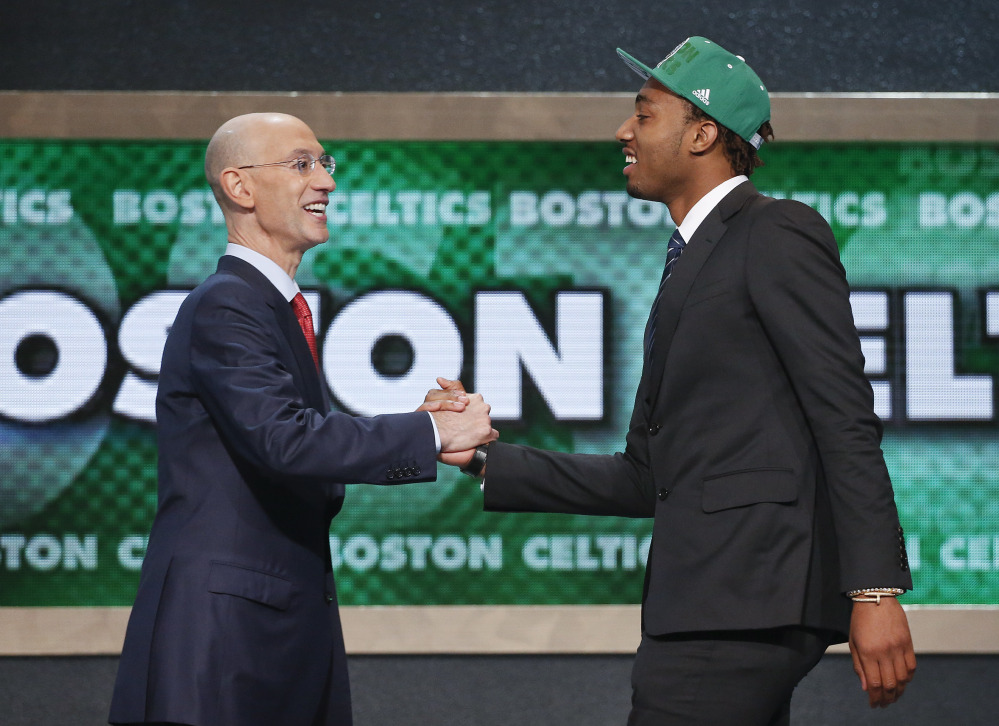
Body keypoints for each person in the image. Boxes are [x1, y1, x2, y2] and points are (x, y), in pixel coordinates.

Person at [432, 37, 915, 725]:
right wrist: (482, 458)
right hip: (709, 608)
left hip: (741, 607)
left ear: (702, 133)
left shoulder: (775, 231)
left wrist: (873, 590)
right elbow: (646, 476)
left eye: (644, 114)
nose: (623, 131)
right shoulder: (690, 262)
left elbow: (843, 416)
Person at [108, 112, 497, 726]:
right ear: (239, 187)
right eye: (300, 165)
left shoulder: (269, 307)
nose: (326, 182)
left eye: (325, 163)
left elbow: (285, 433)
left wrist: (419, 422)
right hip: (224, 641)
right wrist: (432, 433)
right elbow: (284, 441)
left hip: (271, 629)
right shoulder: (227, 304)